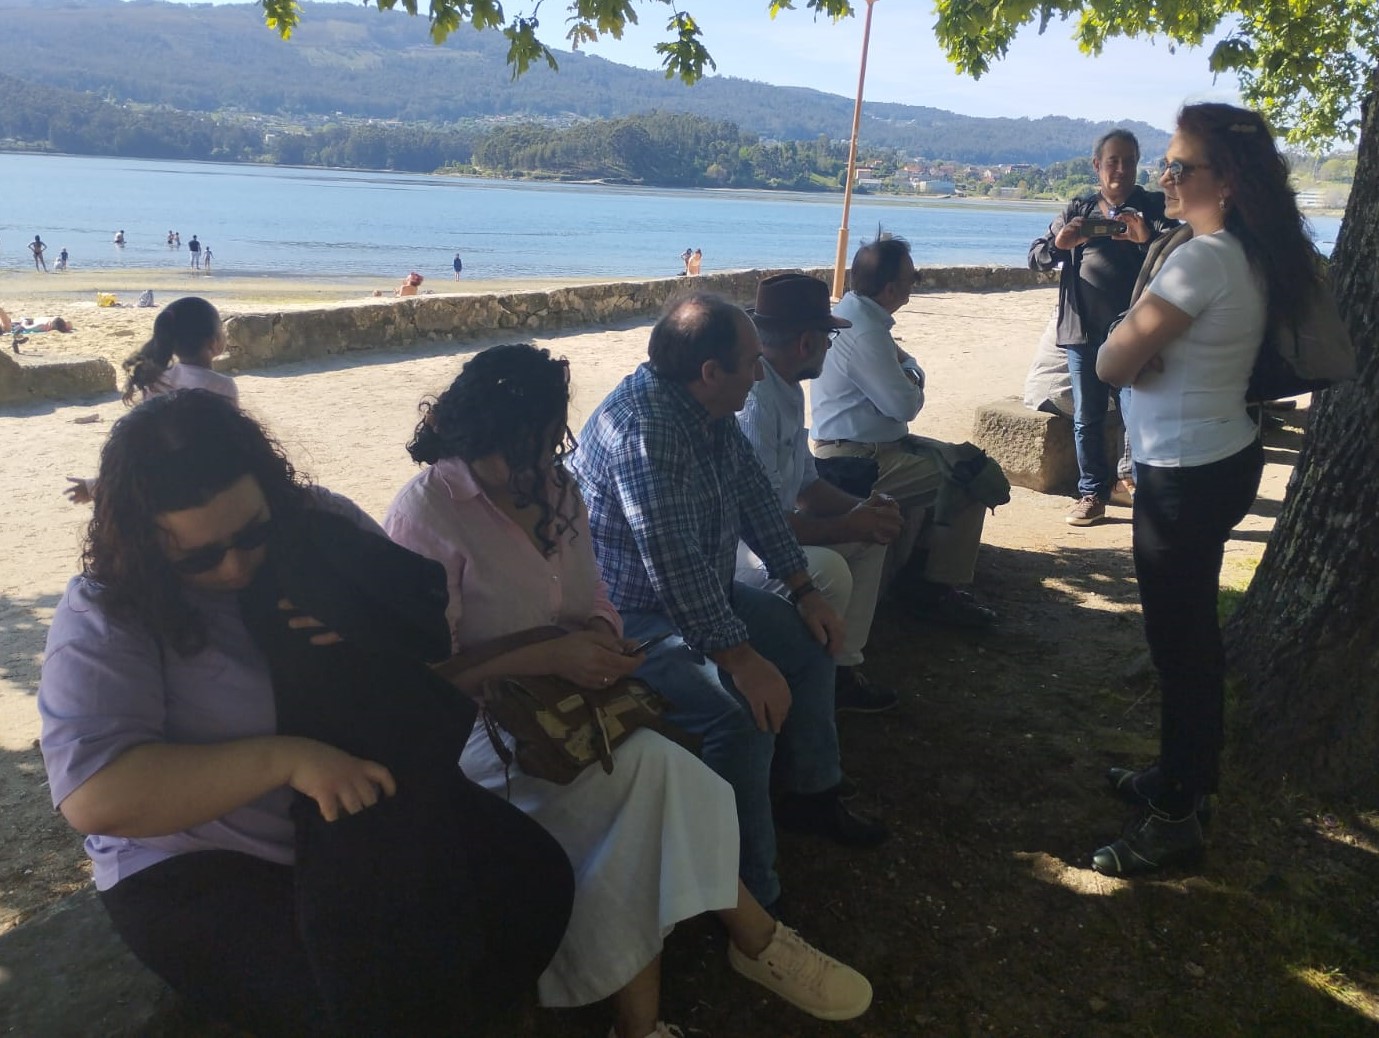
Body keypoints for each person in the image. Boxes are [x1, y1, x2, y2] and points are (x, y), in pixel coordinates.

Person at [37, 390, 577, 1035]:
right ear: (145, 545)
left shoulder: (320, 521)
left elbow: (422, 632)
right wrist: (286, 761)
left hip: (360, 819)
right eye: (198, 557)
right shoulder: (106, 610)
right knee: (362, 1000)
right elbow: (96, 796)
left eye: (253, 533)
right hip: (205, 855)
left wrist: (368, 623)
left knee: (533, 881)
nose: (235, 566)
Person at [386, 344, 874, 1037]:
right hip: (479, 737)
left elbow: (596, 596)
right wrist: (550, 651)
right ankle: (752, 941)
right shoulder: (428, 512)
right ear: (471, 435)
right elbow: (420, 681)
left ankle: (662, 1013)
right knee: (660, 786)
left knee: (659, 788)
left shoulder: (555, 488)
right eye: (514, 454)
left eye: (542, 450)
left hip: (569, 706)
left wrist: (600, 635)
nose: (531, 470)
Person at [570, 294, 887, 912]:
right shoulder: (647, 430)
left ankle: (810, 794)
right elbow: (672, 564)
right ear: (710, 371)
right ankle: (745, 889)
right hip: (632, 618)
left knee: (811, 643)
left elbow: (756, 500)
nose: (760, 373)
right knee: (740, 713)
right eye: (750, 362)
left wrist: (803, 590)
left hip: (704, 594)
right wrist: (741, 659)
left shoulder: (707, 408)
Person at [1089, 103, 1313, 876]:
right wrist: (1141, 350)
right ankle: (1181, 777)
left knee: (1179, 648)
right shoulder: (1247, 252)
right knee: (1190, 642)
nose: (1163, 178)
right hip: (1221, 455)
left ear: (1225, 181)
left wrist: (1127, 348)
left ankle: (1176, 814)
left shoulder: (1201, 260)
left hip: (1182, 475)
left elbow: (1110, 364)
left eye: (1178, 167)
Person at [736, 273, 903, 714]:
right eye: (828, 337)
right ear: (806, 343)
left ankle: (842, 669)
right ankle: (808, 687)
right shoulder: (757, 400)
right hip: (738, 549)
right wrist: (849, 523)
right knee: (829, 570)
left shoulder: (787, 386)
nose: (831, 346)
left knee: (872, 536)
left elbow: (807, 486)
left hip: (767, 534)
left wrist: (863, 510)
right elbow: (762, 524)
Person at [811, 236, 998, 628]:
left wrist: (905, 369)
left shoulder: (854, 312)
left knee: (965, 463)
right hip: (859, 457)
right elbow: (904, 405)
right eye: (913, 278)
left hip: (869, 444)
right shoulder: (866, 331)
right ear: (891, 289)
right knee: (971, 478)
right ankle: (937, 589)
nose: (916, 283)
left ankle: (921, 577)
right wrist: (913, 368)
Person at [1029, 129, 1175, 526]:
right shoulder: (1078, 209)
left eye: (1129, 161)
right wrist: (1060, 244)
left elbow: (1180, 255)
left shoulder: (1153, 206)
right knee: (1087, 418)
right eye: (1113, 161)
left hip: (1135, 332)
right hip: (1082, 331)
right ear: (1097, 165)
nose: (1121, 169)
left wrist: (1145, 238)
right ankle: (1092, 494)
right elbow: (1036, 257)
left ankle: (1141, 490)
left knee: (1139, 414)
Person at [64, 297, 238, 505]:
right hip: (202, 480)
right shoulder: (224, 386)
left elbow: (144, 440)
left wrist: (98, 484)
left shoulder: (156, 379)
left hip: (155, 474)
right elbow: (232, 441)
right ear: (213, 342)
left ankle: (99, 486)